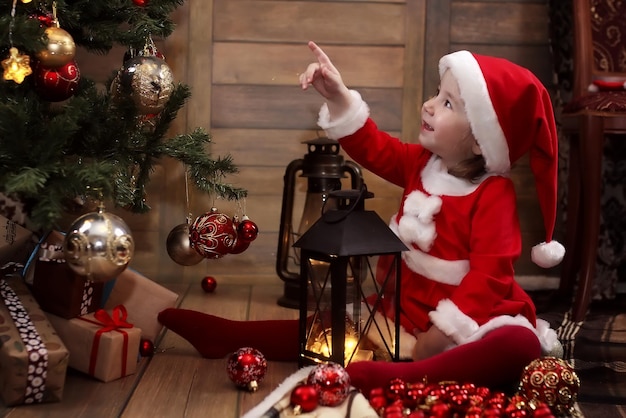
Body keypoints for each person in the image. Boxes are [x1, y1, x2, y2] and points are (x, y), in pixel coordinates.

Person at [158, 41, 565, 396]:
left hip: (471, 314)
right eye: (436, 93)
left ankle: (416, 375)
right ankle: (232, 336)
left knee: (517, 344)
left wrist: (445, 330)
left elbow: (491, 276)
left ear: (481, 138)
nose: (429, 103)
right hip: (406, 309)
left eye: (447, 103)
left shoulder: (493, 194)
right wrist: (338, 96)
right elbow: (372, 147)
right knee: (330, 325)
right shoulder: (421, 164)